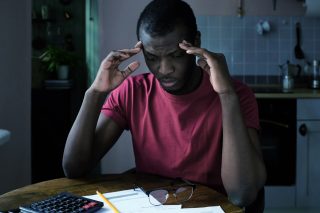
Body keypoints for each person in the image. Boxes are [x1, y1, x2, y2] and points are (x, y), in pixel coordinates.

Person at [62, 0, 266, 208]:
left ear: (195, 42)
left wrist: (226, 95)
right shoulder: (133, 92)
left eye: (176, 55)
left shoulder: (236, 94)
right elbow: (73, 168)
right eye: (152, 57)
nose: (164, 69)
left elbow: (242, 194)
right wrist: (95, 93)